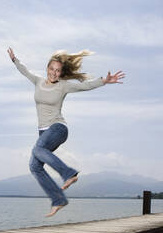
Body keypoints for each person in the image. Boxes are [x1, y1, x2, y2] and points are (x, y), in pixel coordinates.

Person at [7, 47, 125, 217]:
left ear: (61, 73)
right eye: (51, 69)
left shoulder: (63, 86)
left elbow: (85, 86)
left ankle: (69, 174)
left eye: (57, 71)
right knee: (34, 166)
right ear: (47, 68)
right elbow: (24, 71)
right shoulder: (38, 81)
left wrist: (104, 81)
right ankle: (58, 199)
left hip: (58, 128)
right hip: (43, 133)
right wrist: (14, 60)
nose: (54, 73)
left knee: (37, 150)